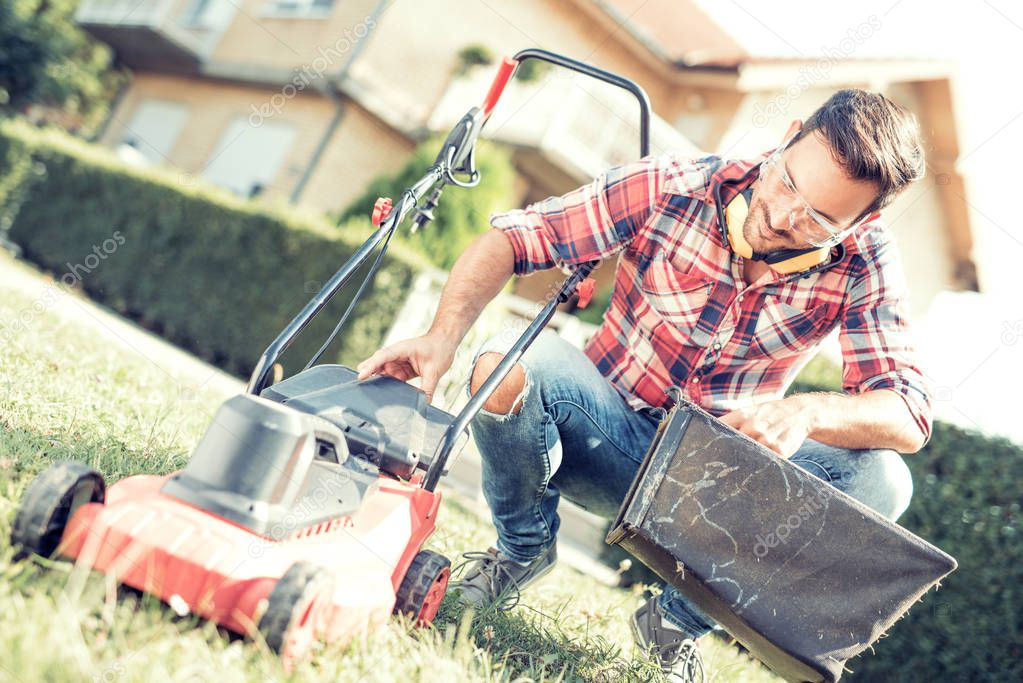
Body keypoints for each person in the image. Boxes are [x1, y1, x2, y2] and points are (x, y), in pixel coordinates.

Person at [356, 89, 932, 681]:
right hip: (602, 441)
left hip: (709, 486)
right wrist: (441, 337)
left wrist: (804, 413)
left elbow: (909, 412)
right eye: (788, 183)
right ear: (785, 139)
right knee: (504, 360)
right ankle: (520, 552)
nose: (785, 217)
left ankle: (678, 622)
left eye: (818, 218)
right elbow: (515, 238)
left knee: (882, 481)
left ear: (864, 221)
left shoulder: (865, 264)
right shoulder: (672, 184)